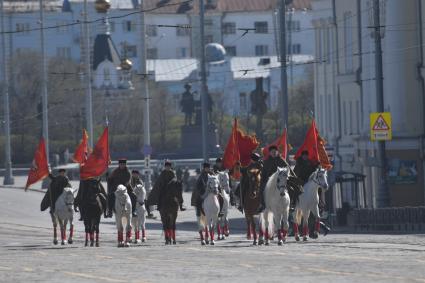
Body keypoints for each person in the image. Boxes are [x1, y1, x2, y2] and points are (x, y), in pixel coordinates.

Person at [257, 145, 299, 213]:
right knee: (261, 189)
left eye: (275, 152)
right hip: (269, 181)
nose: (273, 153)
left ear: (277, 152)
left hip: (281, 180)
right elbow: (264, 172)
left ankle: (291, 204)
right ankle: (263, 205)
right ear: (270, 153)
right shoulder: (267, 161)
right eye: (272, 152)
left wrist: (294, 176)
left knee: (291, 189)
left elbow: (288, 168)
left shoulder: (281, 160)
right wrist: (263, 181)